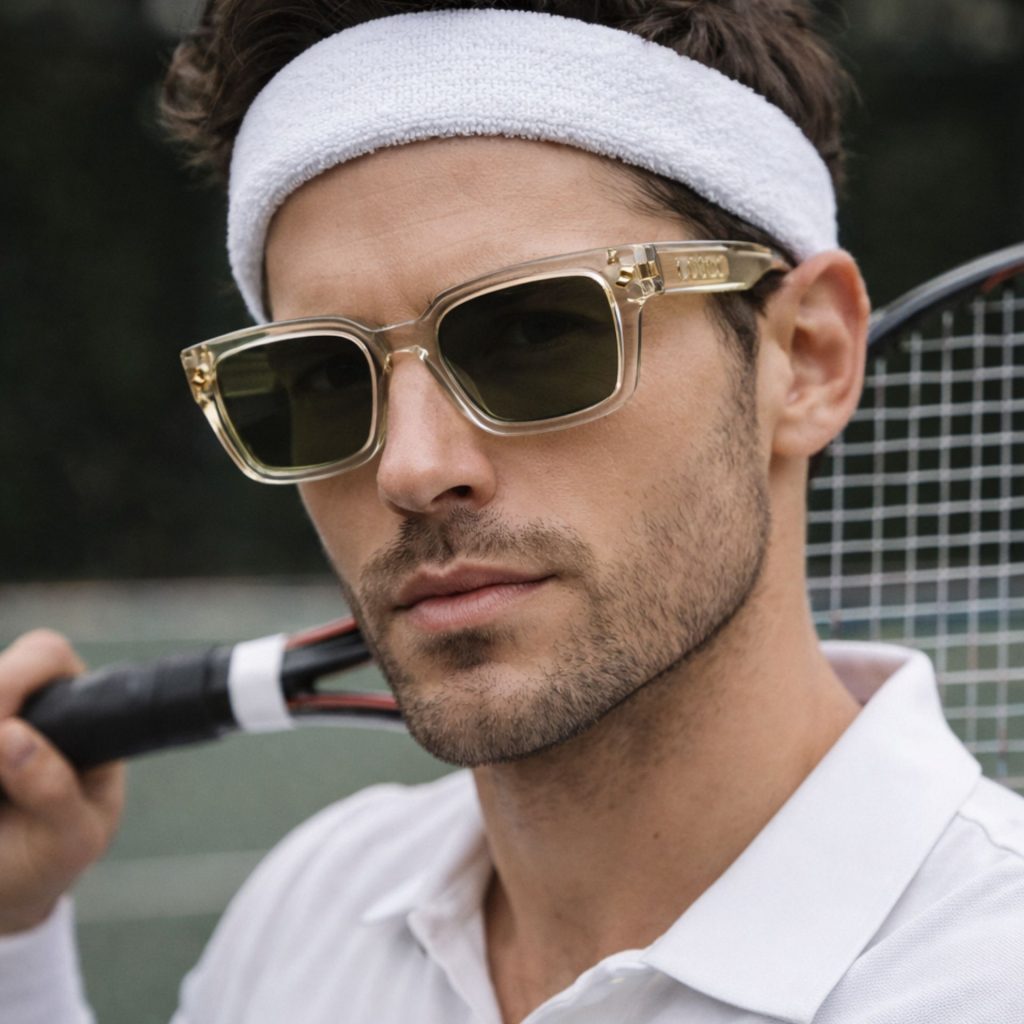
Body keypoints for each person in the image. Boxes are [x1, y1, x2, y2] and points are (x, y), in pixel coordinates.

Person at [1, 2, 1022, 1021]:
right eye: (321, 377)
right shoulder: (308, 907)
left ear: (805, 357)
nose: (410, 467)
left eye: (535, 334)